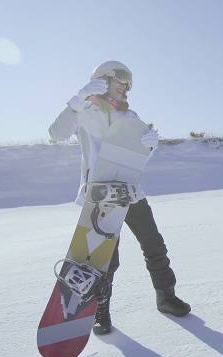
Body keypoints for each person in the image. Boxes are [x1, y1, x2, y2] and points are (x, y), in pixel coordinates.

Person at [49, 60, 190, 334]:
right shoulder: (85, 111)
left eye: (129, 83)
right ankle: (101, 311)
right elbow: (56, 133)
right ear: (103, 80)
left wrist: (150, 146)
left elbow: (137, 158)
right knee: (104, 258)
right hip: (101, 196)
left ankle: (166, 297)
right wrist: (79, 99)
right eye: (122, 80)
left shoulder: (131, 116)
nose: (127, 87)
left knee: (154, 245)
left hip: (131, 191)